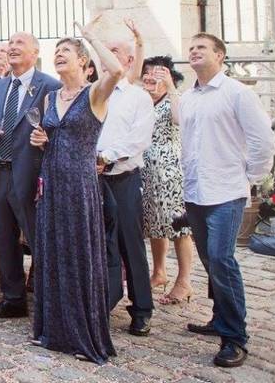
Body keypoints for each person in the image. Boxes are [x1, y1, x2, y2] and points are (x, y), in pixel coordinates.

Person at [29, 16, 123, 364]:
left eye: (66, 51)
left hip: (80, 186)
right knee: (52, 254)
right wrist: (39, 139)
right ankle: (53, 330)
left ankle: (84, 336)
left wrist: (91, 36)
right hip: (51, 182)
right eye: (57, 51)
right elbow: (47, 138)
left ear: (84, 61)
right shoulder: (51, 97)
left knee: (79, 257)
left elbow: (115, 72)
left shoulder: (95, 94)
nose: (59, 55)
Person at [180, 33, 275, 368]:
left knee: (222, 260)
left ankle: (235, 337)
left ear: (220, 55)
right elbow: (188, 146)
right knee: (210, 262)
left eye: (201, 47)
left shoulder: (237, 93)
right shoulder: (188, 98)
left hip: (226, 192)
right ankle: (220, 317)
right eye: (190, 48)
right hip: (195, 192)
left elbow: (263, 139)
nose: (193, 51)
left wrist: (249, 177)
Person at [0, 32, 60, 319]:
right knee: (4, 238)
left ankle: (51, 302)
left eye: (19, 45)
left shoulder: (50, 86)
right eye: (10, 44)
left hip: (30, 174)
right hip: (0, 171)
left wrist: (46, 139)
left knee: (39, 239)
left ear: (35, 53)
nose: (12, 48)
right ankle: (13, 299)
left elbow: (58, 130)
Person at [97, 36, 155, 336]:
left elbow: (138, 139)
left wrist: (106, 156)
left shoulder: (138, 97)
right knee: (98, 244)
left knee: (129, 244)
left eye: (114, 51)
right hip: (92, 179)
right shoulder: (94, 92)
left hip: (122, 178)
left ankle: (142, 308)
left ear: (130, 61)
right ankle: (102, 301)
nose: (107, 55)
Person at [140, 55, 194, 305]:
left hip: (169, 171)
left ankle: (184, 281)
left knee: (178, 226)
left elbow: (178, 119)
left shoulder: (174, 99)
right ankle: (159, 272)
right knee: (153, 223)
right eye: (147, 72)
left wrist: (170, 87)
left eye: (157, 73)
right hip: (145, 170)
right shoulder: (142, 101)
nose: (151, 77)